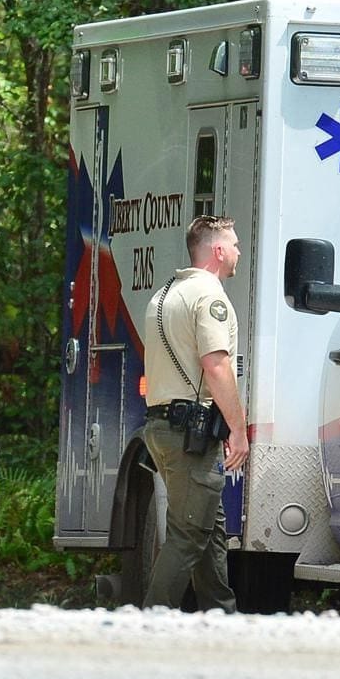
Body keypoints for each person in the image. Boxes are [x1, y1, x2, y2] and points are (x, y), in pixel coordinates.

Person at [141, 214, 250, 612]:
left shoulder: (165, 294)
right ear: (218, 251)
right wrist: (238, 430)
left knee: (210, 531)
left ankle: (221, 616)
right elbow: (216, 365)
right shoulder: (210, 296)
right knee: (189, 535)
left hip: (162, 426)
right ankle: (151, 622)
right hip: (191, 433)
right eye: (234, 244)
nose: (239, 251)